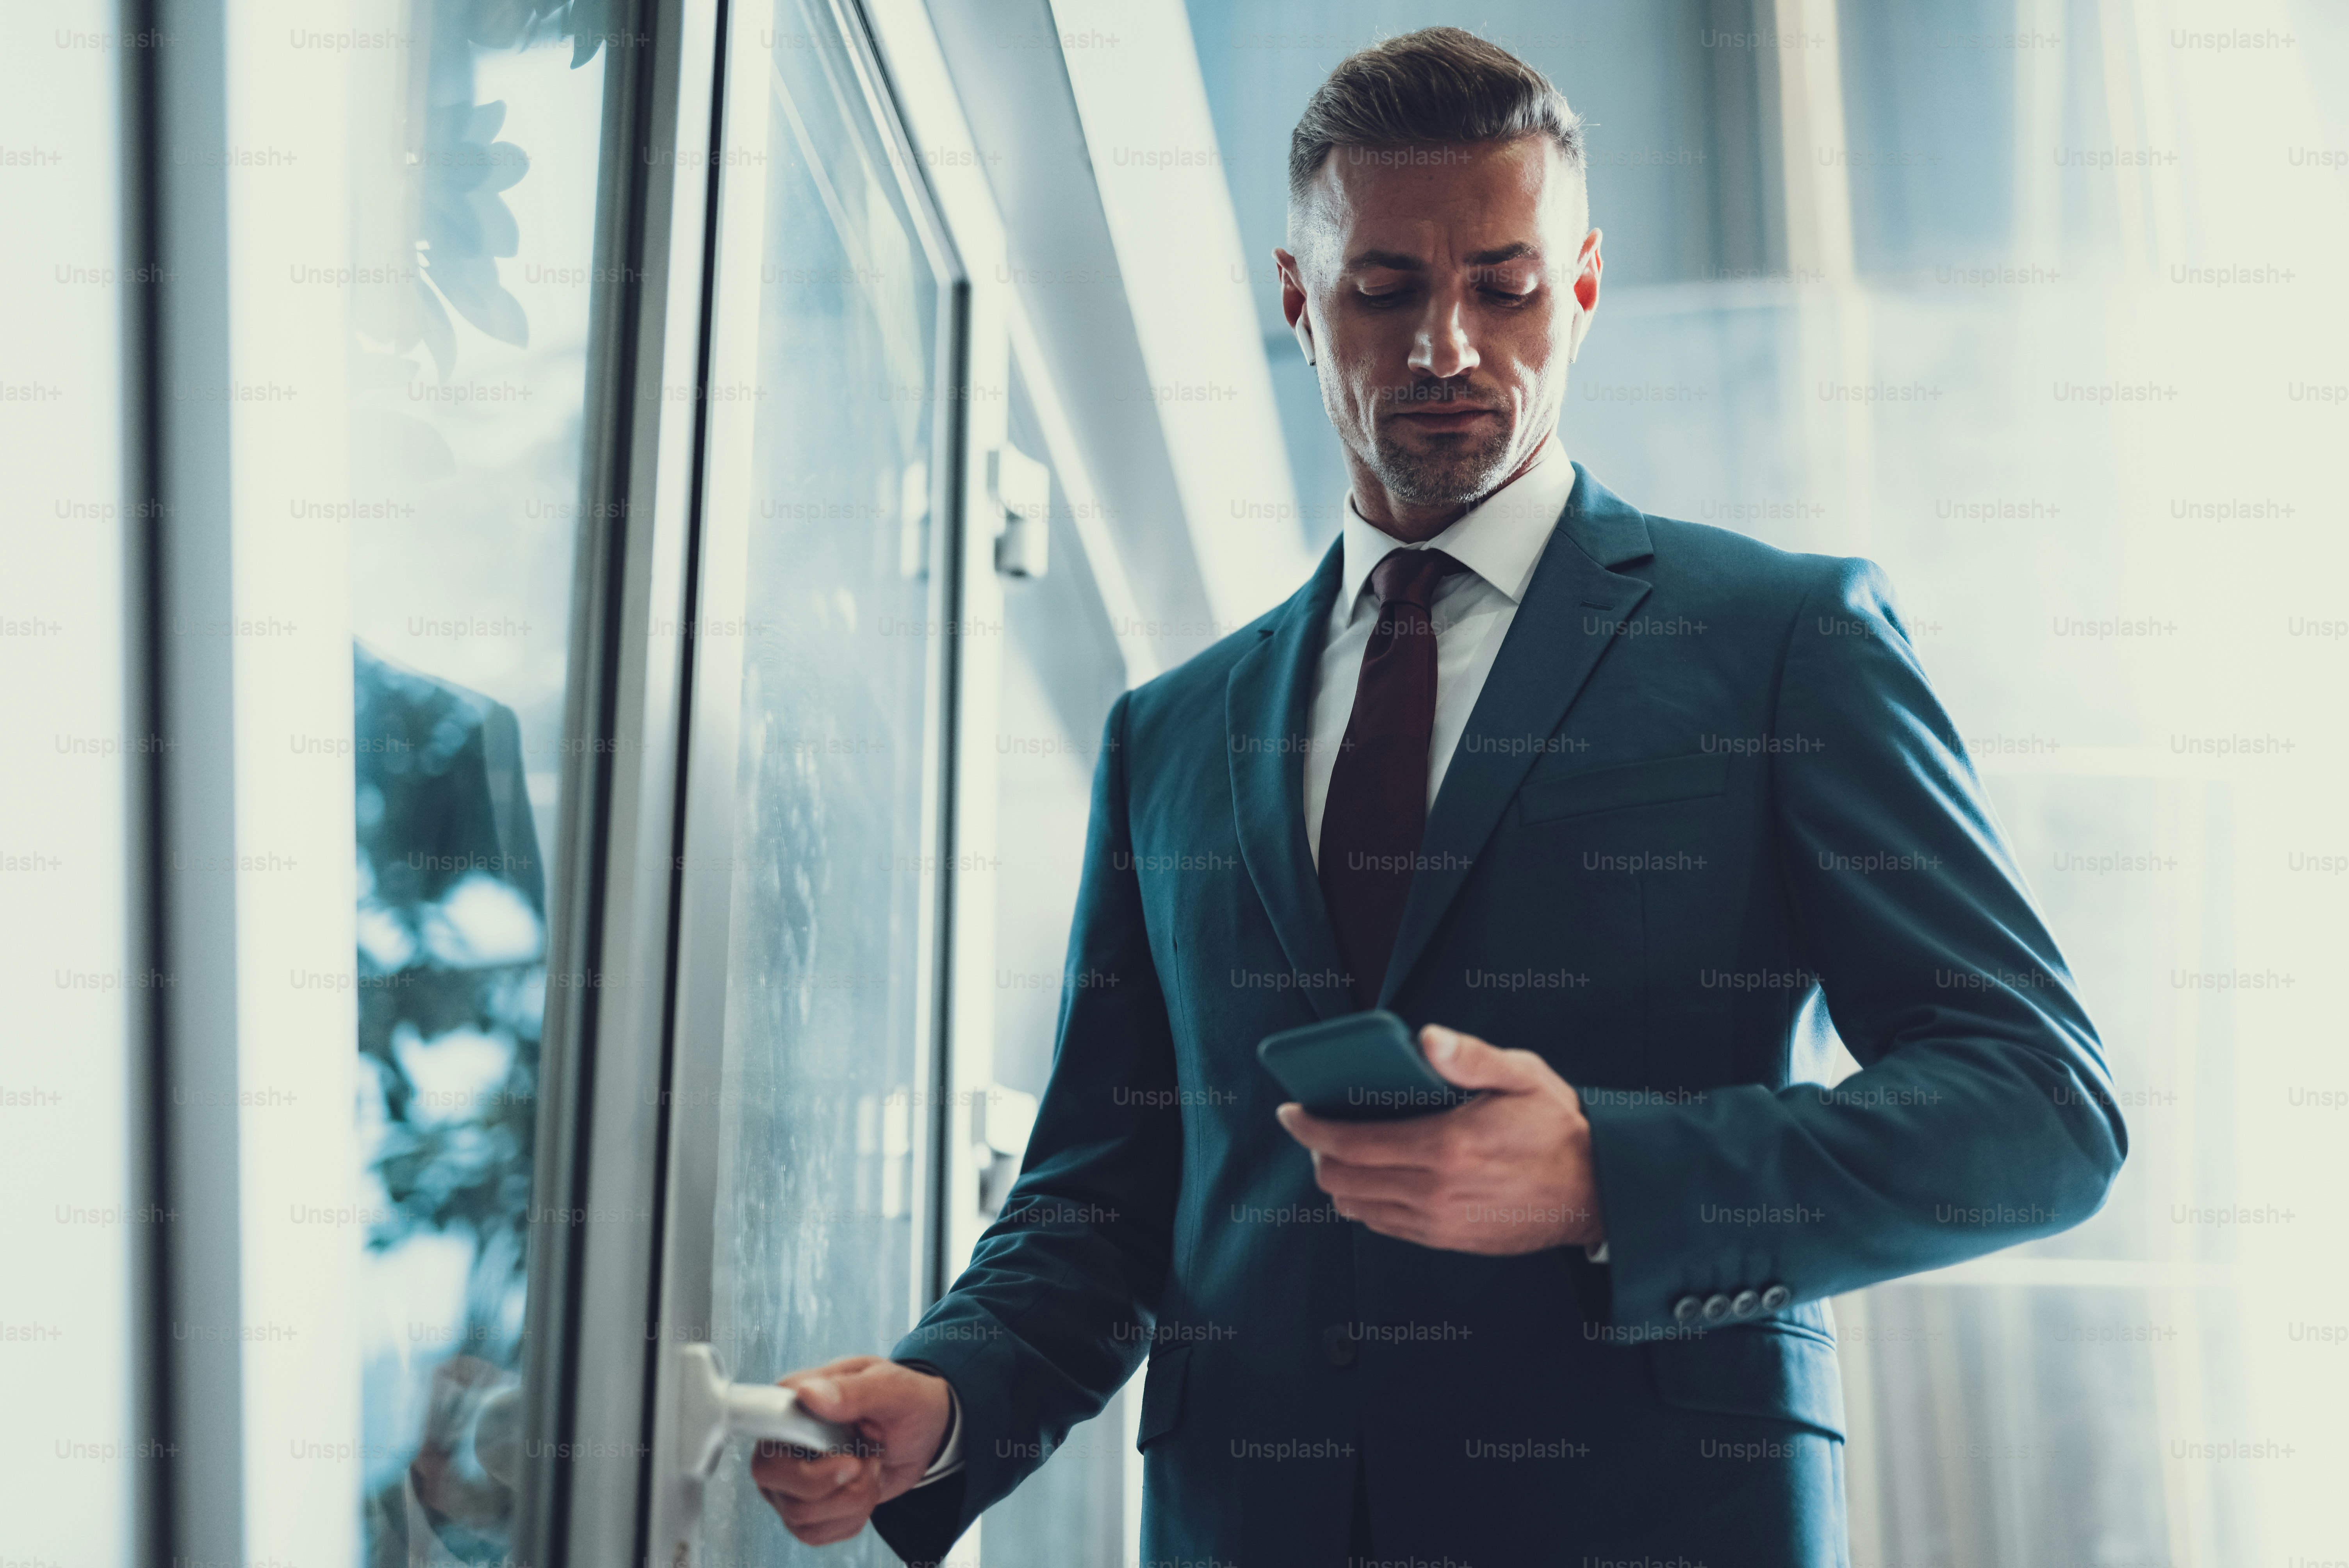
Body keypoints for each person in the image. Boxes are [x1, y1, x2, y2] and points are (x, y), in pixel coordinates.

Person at [750, 27, 2125, 1566]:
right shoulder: (1171, 732)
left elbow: (2036, 1108)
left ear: (1583, 285)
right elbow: (1104, 1194)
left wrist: (1610, 1174)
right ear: (1298, 298)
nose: (1445, 347)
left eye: (1506, 287)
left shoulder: (1780, 642)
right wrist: (948, 1394)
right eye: (1385, 288)